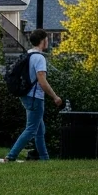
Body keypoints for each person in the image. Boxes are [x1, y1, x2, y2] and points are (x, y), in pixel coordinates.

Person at [6, 29, 63, 162]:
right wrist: (55, 97)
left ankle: (44, 158)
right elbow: (42, 81)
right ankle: (11, 156)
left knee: (39, 129)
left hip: (26, 95)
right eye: (47, 39)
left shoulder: (28, 55)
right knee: (31, 129)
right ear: (43, 41)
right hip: (35, 97)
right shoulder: (39, 58)